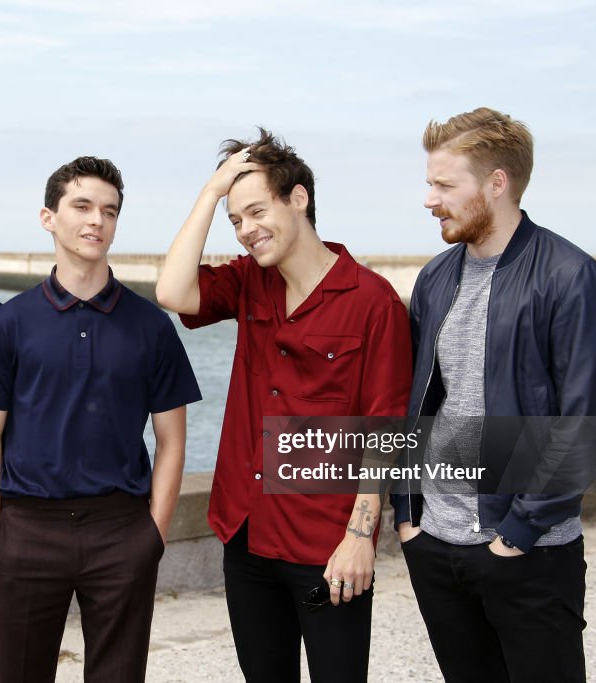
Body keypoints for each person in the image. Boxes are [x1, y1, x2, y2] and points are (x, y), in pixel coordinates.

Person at [155, 129, 412, 682]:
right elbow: (173, 294)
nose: (247, 231)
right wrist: (210, 193)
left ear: (298, 199)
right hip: (245, 530)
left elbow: (387, 428)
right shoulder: (249, 282)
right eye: (235, 221)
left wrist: (360, 536)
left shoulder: (373, 302)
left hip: (326, 544)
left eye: (256, 211)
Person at [390, 107, 596, 683]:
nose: (429, 199)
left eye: (444, 185)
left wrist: (516, 536)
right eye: (430, 184)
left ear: (497, 183)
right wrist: (408, 516)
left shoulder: (570, 276)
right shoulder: (435, 278)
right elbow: (419, 403)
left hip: (530, 549)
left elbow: (584, 426)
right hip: (436, 542)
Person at [0, 156, 201, 683]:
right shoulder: (8, 323)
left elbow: (172, 440)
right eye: (82, 206)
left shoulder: (151, 327)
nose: (97, 221)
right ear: (49, 217)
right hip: (25, 529)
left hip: (121, 529)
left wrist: (152, 534)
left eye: (109, 211)